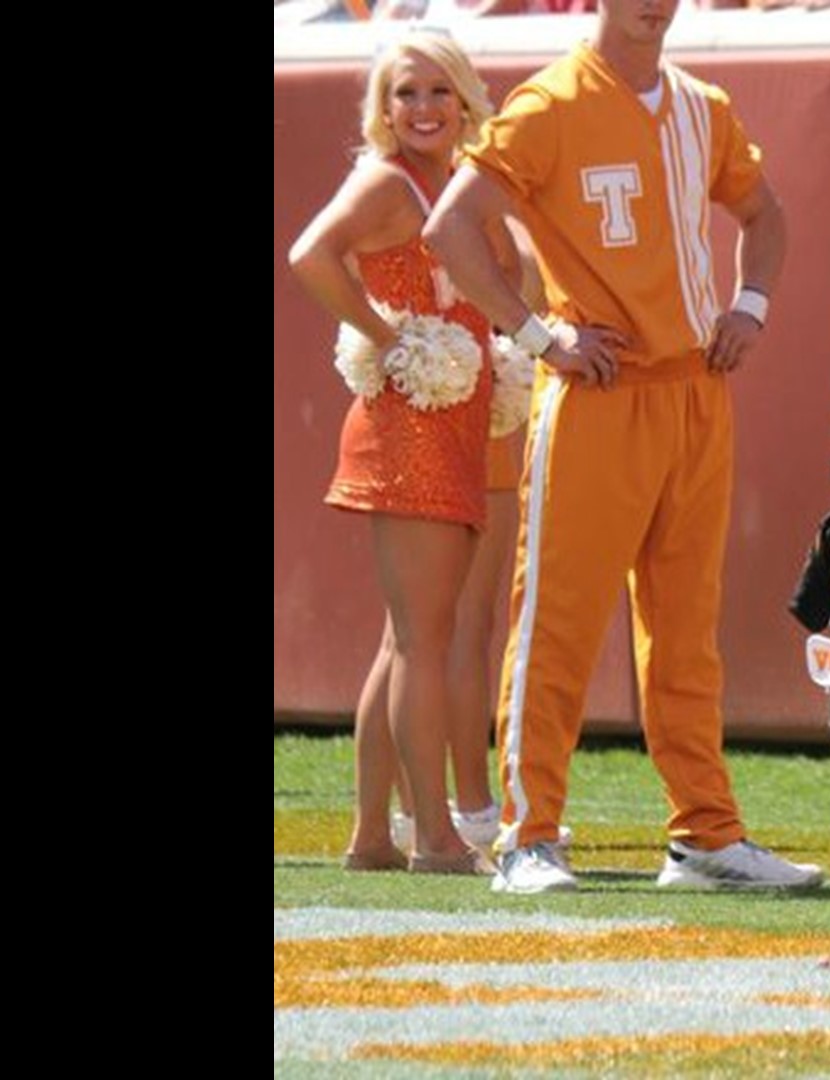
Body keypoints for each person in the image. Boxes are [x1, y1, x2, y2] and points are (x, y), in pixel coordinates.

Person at [424, 0, 820, 894]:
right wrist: (536, 336)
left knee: (687, 632)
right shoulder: (551, 102)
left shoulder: (700, 104)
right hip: (598, 397)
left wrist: (750, 306)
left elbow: (766, 215)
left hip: (694, 393)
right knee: (555, 622)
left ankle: (706, 835)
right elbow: (449, 224)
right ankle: (529, 838)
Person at [288, 30, 509, 876]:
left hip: (446, 418)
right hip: (409, 421)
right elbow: (310, 255)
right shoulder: (385, 180)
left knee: (404, 638)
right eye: (404, 94)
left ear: (463, 100)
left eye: (437, 93)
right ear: (382, 110)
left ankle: (373, 837)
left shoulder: (454, 182)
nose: (421, 109)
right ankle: (438, 840)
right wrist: (386, 334)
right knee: (426, 639)